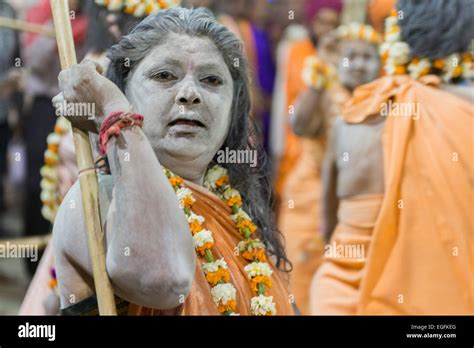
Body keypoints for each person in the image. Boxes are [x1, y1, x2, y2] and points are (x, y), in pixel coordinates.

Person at [53, 7, 295, 316]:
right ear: (124, 89)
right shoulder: (97, 196)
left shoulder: (236, 212)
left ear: (234, 108)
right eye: (164, 75)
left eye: (211, 79)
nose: (190, 94)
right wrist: (114, 113)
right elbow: (165, 280)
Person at [311, 0, 473, 315]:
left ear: (397, 38)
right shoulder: (467, 116)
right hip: (430, 302)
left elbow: (328, 221)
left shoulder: (354, 115)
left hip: (336, 299)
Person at [279, 23, 381, 314]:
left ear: (381, 63)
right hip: (308, 201)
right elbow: (298, 125)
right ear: (338, 60)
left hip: (356, 209)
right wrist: (321, 69)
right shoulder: (323, 89)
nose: (359, 64)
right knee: (302, 279)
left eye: (367, 57)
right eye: (351, 56)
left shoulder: (384, 101)